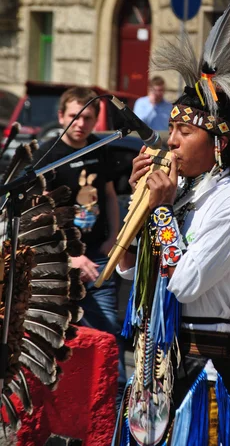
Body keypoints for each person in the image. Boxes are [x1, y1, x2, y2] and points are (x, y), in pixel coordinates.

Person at [113, 0, 230, 445]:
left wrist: (158, 211)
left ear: (220, 141)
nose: (171, 141)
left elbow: (184, 283)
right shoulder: (184, 195)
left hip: (202, 372)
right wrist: (139, 206)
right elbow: (128, 268)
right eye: (171, 129)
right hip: (155, 368)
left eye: (185, 131)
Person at [34, 86, 126, 406]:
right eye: (74, 115)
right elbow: (40, 218)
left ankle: (112, 414)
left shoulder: (102, 150)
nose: (80, 123)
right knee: (65, 347)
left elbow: (111, 196)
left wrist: (115, 235)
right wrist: (71, 258)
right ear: (61, 116)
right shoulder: (47, 156)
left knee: (108, 339)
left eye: (87, 117)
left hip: (99, 260)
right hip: (60, 269)